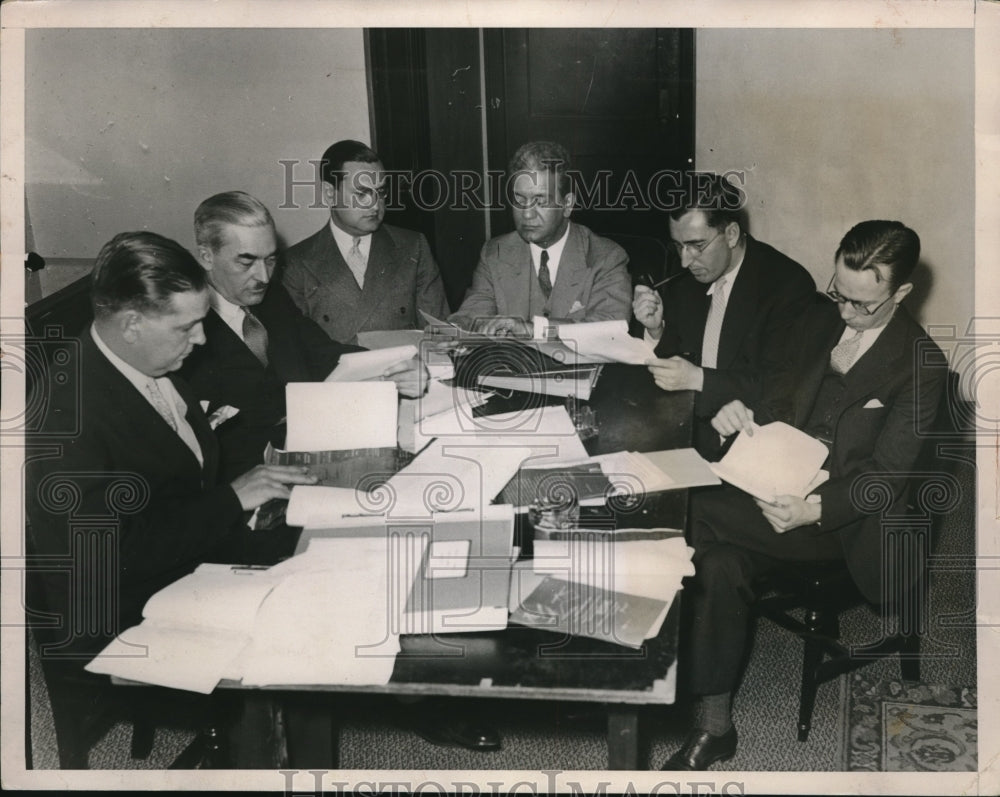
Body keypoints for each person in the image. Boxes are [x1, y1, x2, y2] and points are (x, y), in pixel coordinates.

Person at [662, 220, 945, 770]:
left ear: (902, 293)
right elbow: (768, 390)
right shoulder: (819, 317)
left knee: (685, 506)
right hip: (771, 484)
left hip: (842, 523)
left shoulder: (922, 365)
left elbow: (887, 479)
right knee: (718, 563)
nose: (843, 313)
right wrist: (732, 413)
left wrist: (813, 509)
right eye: (839, 292)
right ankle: (715, 727)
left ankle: (642, 652)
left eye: (862, 305)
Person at [26, 231, 318, 666]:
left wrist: (246, 489)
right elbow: (106, 560)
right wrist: (232, 499)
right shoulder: (64, 419)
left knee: (333, 549)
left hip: (187, 555)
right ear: (130, 324)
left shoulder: (151, 359)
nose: (201, 339)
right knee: (312, 624)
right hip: (127, 608)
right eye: (187, 327)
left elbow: (179, 472)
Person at [180, 191, 425, 481]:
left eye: (270, 260)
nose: (264, 277)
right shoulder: (183, 329)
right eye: (246, 263)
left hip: (310, 463)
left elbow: (323, 352)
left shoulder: (271, 298)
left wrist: (393, 367)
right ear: (206, 256)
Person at [634, 174, 815, 458]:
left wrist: (699, 379)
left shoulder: (786, 285)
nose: (684, 260)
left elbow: (779, 386)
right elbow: (675, 359)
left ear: (731, 234)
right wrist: (657, 330)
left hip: (745, 437)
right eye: (678, 246)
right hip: (683, 425)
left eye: (697, 245)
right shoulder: (685, 276)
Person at [448, 140, 631, 337]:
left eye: (540, 201)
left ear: (567, 204)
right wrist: (452, 332)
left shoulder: (606, 257)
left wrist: (533, 329)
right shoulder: (495, 252)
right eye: (519, 200)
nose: (527, 214)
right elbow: (472, 315)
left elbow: (612, 328)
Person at [282, 139, 449, 344]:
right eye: (362, 193)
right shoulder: (296, 263)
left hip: (405, 371)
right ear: (329, 193)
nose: (375, 204)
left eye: (380, 192)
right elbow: (298, 348)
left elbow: (438, 333)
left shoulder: (413, 246)